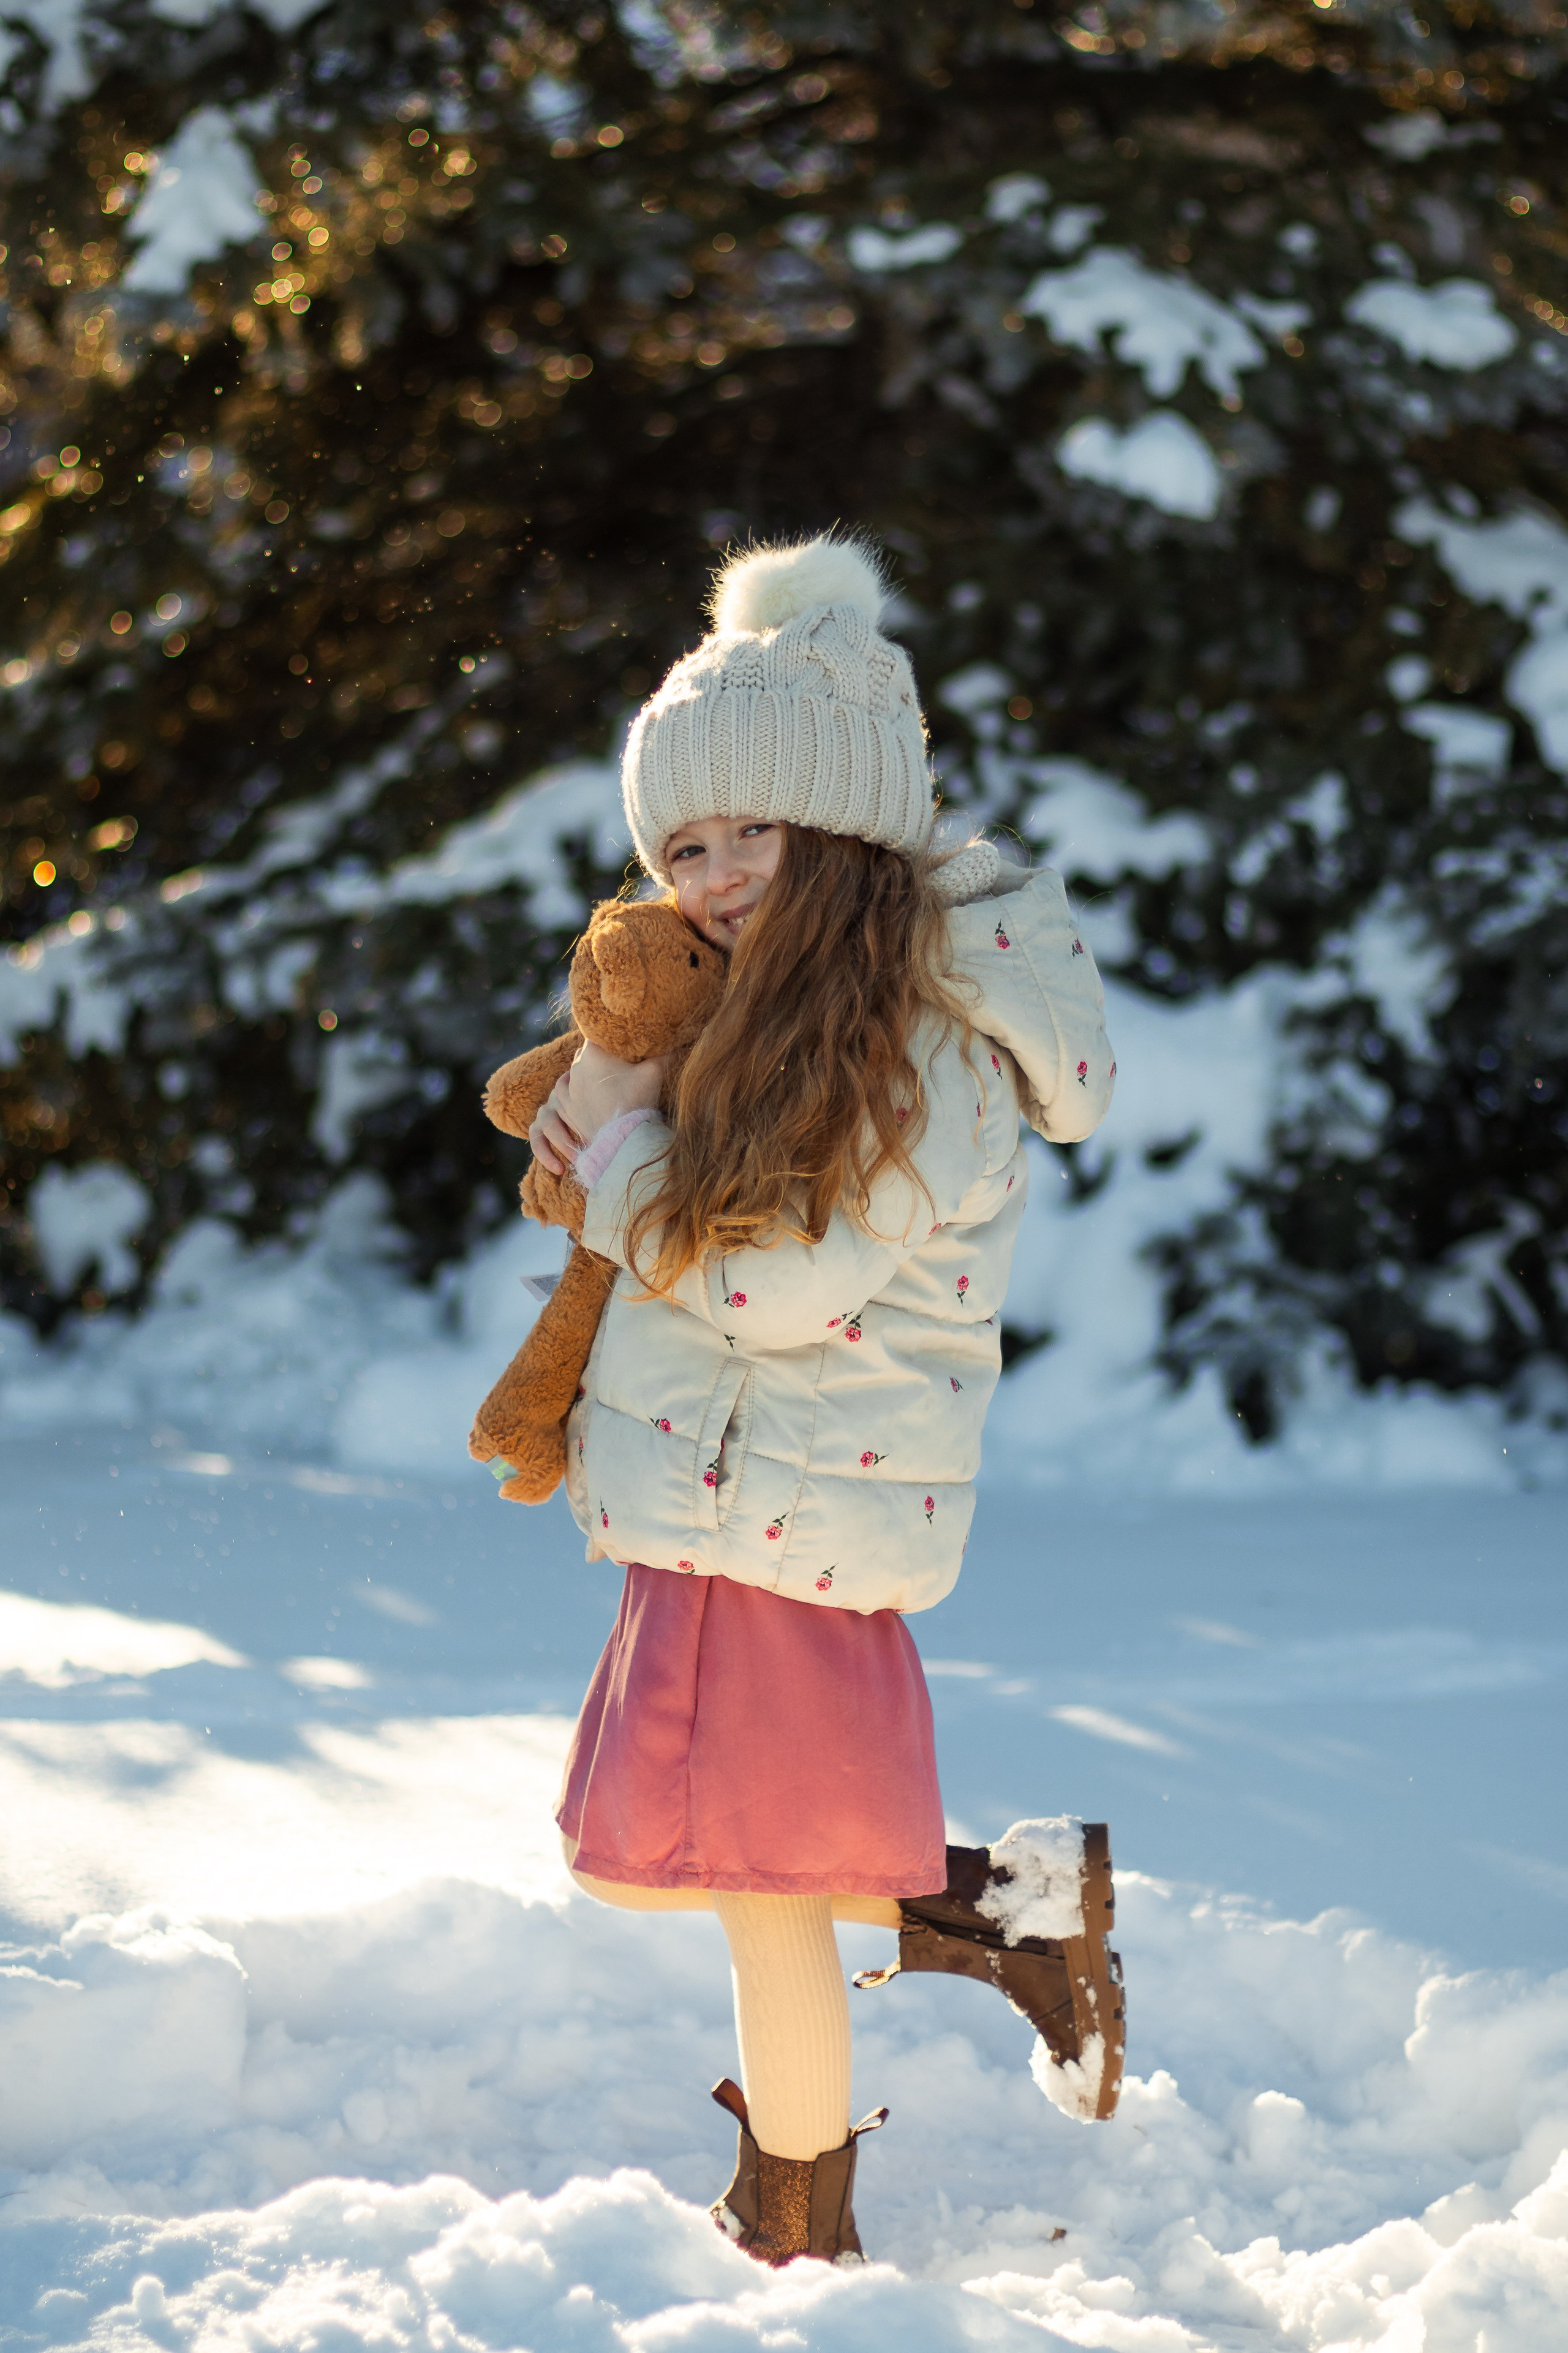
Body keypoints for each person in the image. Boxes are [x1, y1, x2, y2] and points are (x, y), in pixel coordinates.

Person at [520, 535, 1120, 2266]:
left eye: (745, 832)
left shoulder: (917, 1044)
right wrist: (606, 1143)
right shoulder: (773, 1013)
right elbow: (681, 1233)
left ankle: (798, 2224)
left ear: (846, 820)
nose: (706, 879)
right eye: (679, 845)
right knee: (689, 1842)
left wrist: (628, 1172)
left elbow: (774, 1282)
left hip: (790, 1501)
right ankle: (1010, 1911)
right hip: (723, 1495)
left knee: (759, 1886)